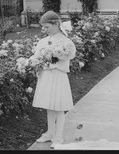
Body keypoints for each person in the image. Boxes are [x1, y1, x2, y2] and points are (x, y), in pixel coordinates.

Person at [32, 10, 76, 148]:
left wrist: (53, 58)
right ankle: (50, 132)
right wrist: (32, 61)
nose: (44, 30)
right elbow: (37, 56)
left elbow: (66, 58)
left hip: (58, 76)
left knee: (59, 106)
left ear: (56, 24)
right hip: (46, 76)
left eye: (47, 27)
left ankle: (58, 136)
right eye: (43, 27)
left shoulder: (65, 42)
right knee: (49, 105)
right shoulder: (43, 41)